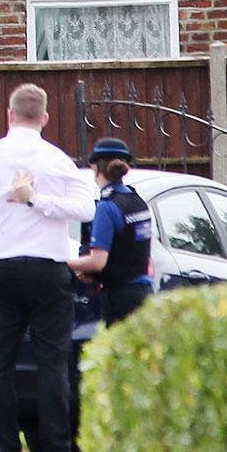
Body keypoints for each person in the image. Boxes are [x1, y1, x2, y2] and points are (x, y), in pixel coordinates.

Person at [0, 82, 94, 452]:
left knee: (0, 358)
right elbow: (86, 206)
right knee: (52, 359)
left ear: (9, 114)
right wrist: (44, 204)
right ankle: (57, 451)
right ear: (45, 118)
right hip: (47, 266)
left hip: (0, 265)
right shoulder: (58, 160)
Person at [68, 138, 154, 326]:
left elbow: (97, 262)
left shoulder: (107, 207)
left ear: (96, 169)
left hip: (119, 299)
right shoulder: (136, 200)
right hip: (144, 293)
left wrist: (63, 264)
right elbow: (130, 251)